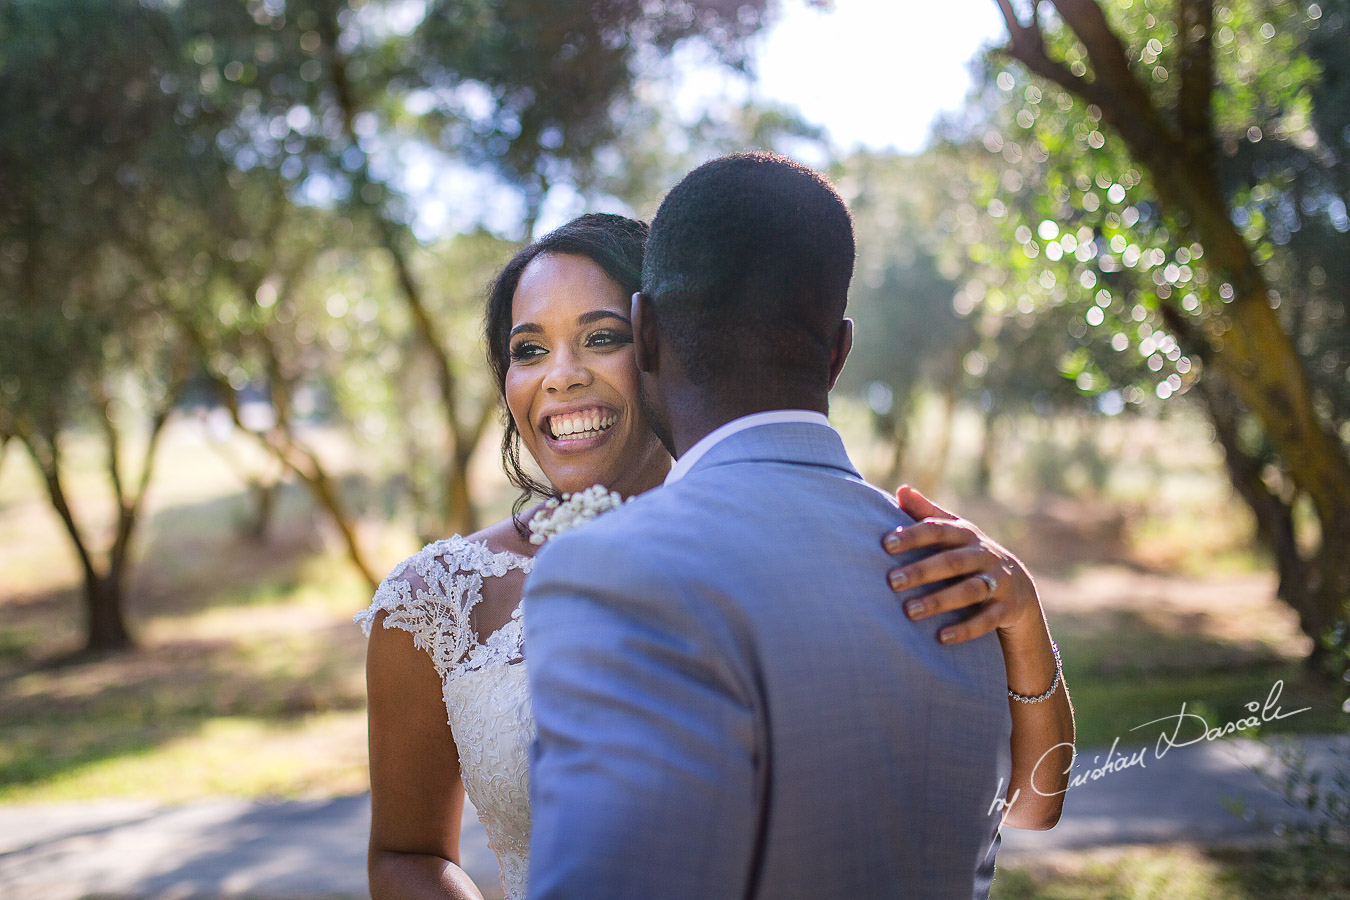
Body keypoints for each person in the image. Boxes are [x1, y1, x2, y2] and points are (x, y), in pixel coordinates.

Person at [359, 208, 1071, 900]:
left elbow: (1025, 806)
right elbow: (404, 854)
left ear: (663, 344)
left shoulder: (838, 546)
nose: (561, 375)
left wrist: (1026, 626)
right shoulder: (437, 600)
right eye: (529, 349)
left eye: (600, 337)